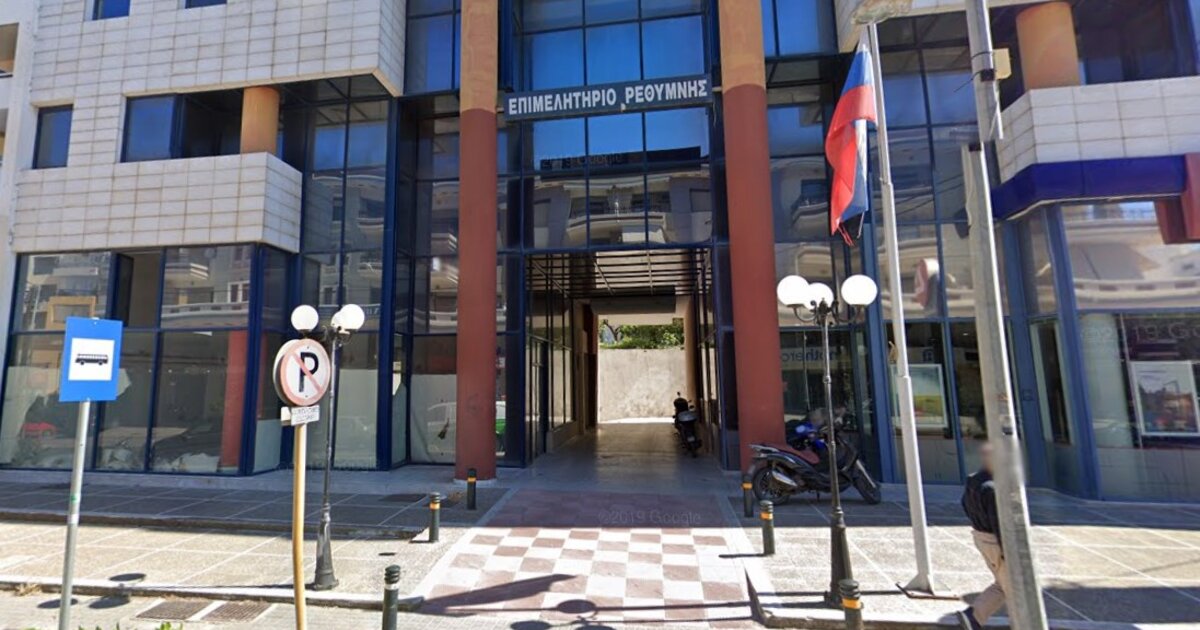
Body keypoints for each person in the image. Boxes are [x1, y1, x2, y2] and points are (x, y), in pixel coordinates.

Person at [957, 443, 1007, 630]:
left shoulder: (973, 480)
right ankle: (973, 617)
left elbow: (964, 503)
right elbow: (998, 522)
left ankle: (974, 617)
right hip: (994, 541)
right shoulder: (992, 488)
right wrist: (1007, 550)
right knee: (1016, 587)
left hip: (979, 535)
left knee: (1004, 584)